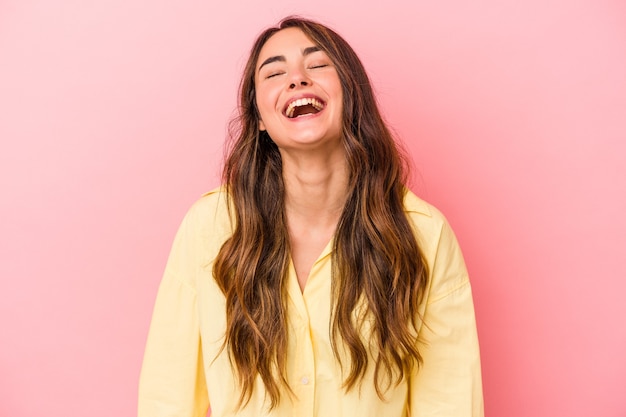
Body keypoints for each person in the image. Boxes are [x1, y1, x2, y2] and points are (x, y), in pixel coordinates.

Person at [138, 16, 483, 417]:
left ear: (351, 96)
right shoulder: (209, 227)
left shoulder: (424, 234)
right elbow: (168, 398)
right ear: (261, 120)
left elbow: (450, 401)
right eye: (274, 72)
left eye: (317, 65)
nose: (297, 79)